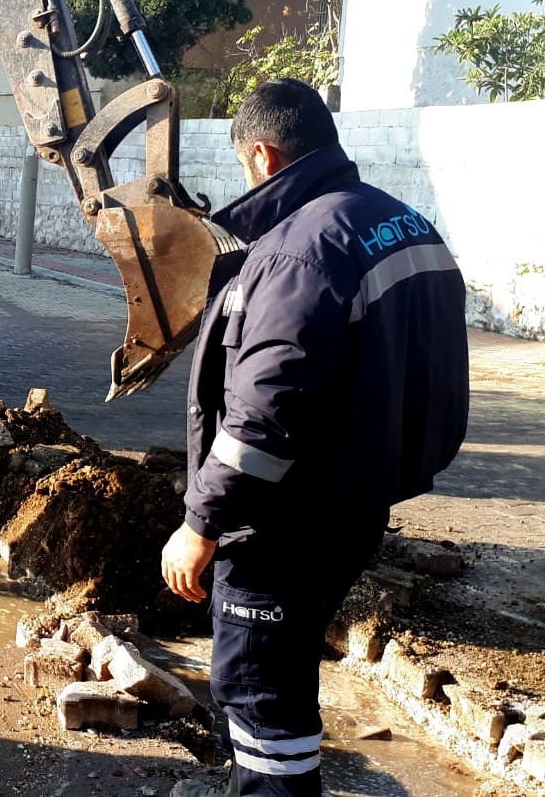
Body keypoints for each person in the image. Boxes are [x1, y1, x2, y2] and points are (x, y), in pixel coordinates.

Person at [160, 79, 470, 797]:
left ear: (263, 156)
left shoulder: (299, 252)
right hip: (353, 502)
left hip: (281, 521)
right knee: (287, 662)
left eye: (245, 167)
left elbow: (264, 415)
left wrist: (202, 521)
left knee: (258, 684)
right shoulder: (403, 223)